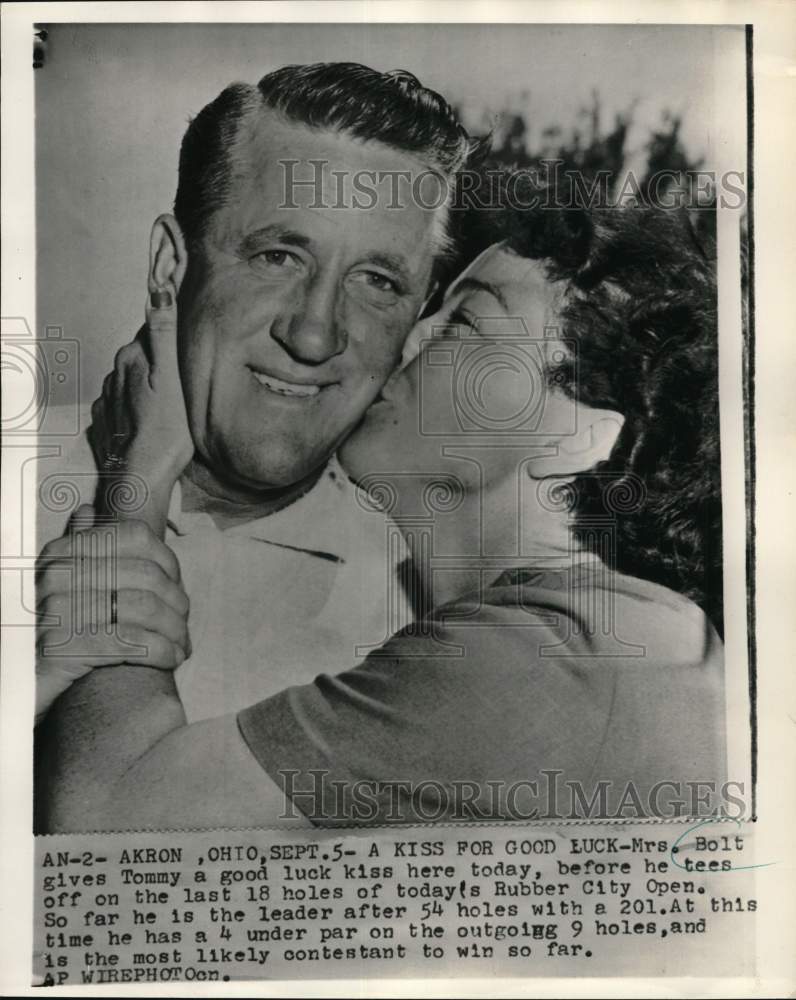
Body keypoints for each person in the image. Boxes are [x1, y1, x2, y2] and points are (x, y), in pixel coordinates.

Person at [38, 204, 726, 832]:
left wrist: (137, 478)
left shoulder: (570, 656)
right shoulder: (593, 636)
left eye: (464, 323)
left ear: (579, 435)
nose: (405, 338)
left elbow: (108, 823)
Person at [34, 62, 474, 724]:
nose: (314, 334)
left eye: (377, 281)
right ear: (168, 267)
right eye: (278, 257)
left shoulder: (430, 616)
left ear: (417, 320)